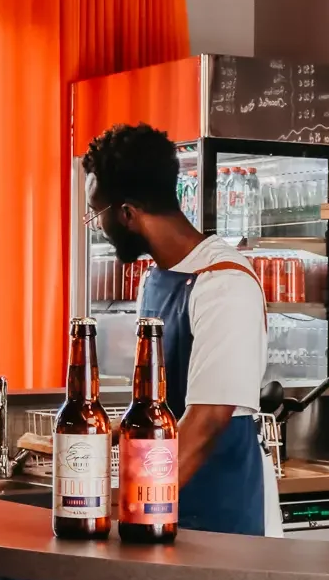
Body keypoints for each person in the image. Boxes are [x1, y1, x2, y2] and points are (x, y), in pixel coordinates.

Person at [82, 122, 275, 536]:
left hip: (219, 518)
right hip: (164, 510)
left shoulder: (225, 283)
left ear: (128, 214)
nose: (97, 226)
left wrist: (130, 509)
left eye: (97, 214)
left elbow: (206, 421)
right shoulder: (157, 279)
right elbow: (166, 403)